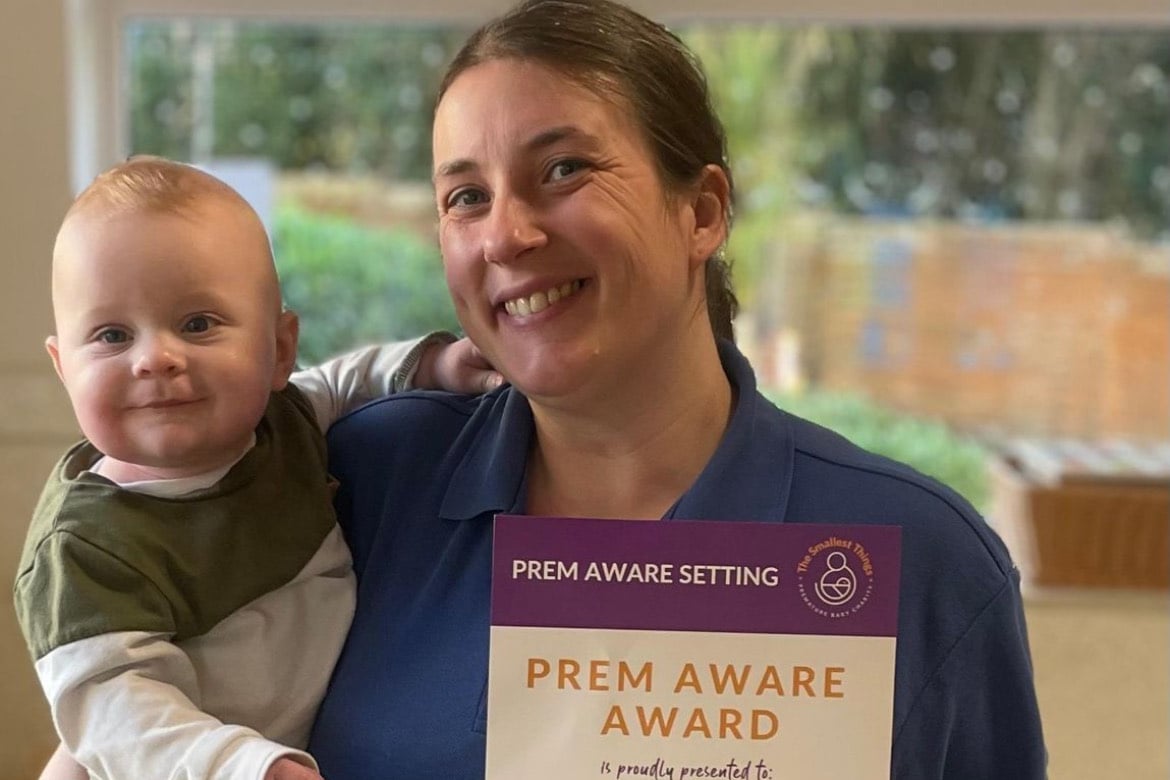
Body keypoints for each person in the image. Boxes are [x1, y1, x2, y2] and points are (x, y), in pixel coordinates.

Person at [305, 1, 1046, 778]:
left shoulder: (919, 559)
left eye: (563, 170)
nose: (505, 236)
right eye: (467, 197)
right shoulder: (362, 482)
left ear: (701, 212)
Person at [15, 156, 499, 780]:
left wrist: (434, 366)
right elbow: (115, 715)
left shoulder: (283, 425)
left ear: (278, 350)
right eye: (112, 335)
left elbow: (344, 380)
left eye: (197, 324)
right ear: (63, 369)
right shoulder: (84, 546)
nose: (154, 358)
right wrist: (247, 767)